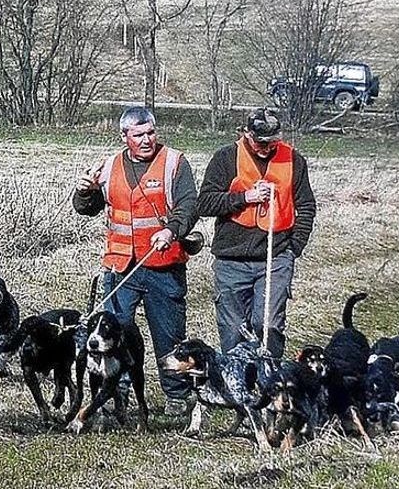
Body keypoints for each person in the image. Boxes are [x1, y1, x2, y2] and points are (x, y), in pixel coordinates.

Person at [73, 106, 198, 416]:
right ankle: (118, 393)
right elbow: (86, 208)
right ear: (124, 136)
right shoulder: (109, 166)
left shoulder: (174, 163)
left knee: (168, 334)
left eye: (151, 133)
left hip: (164, 264)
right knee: (111, 334)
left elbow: (189, 206)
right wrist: (84, 192)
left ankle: (177, 395)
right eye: (139, 135)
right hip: (120, 267)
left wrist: (172, 230)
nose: (146, 140)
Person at [198, 108, 316, 359]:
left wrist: (295, 246)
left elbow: (306, 206)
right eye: (261, 142)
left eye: (272, 142)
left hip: (276, 258)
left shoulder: (294, 160)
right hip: (231, 260)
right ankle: (237, 390)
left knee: (268, 326)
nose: (266, 147)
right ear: (247, 134)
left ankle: (270, 387)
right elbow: (205, 204)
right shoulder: (225, 158)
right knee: (232, 333)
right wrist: (245, 197)